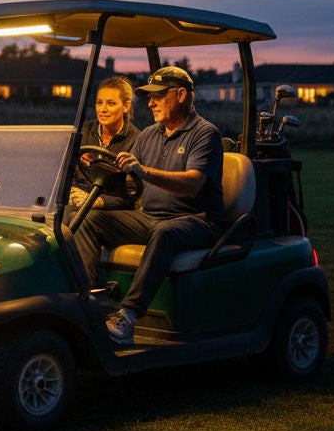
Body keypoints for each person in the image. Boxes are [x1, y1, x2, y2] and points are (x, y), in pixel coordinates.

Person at [72, 66, 225, 344]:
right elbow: (128, 183)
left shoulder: (205, 134)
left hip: (198, 220)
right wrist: (95, 169)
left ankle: (128, 315)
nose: (151, 103)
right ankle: (88, 303)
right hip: (151, 216)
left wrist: (144, 172)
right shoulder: (150, 135)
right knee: (89, 219)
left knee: (164, 231)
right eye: (150, 97)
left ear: (181, 95)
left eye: (158, 96)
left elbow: (193, 183)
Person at [70, 76, 140, 209]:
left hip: (111, 208)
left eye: (111, 103)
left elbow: (132, 194)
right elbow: (67, 173)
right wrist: (72, 192)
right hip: (78, 200)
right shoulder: (83, 131)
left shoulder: (136, 140)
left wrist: (100, 201)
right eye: (99, 102)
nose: (102, 109)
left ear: (126, 106)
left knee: (85, 217)